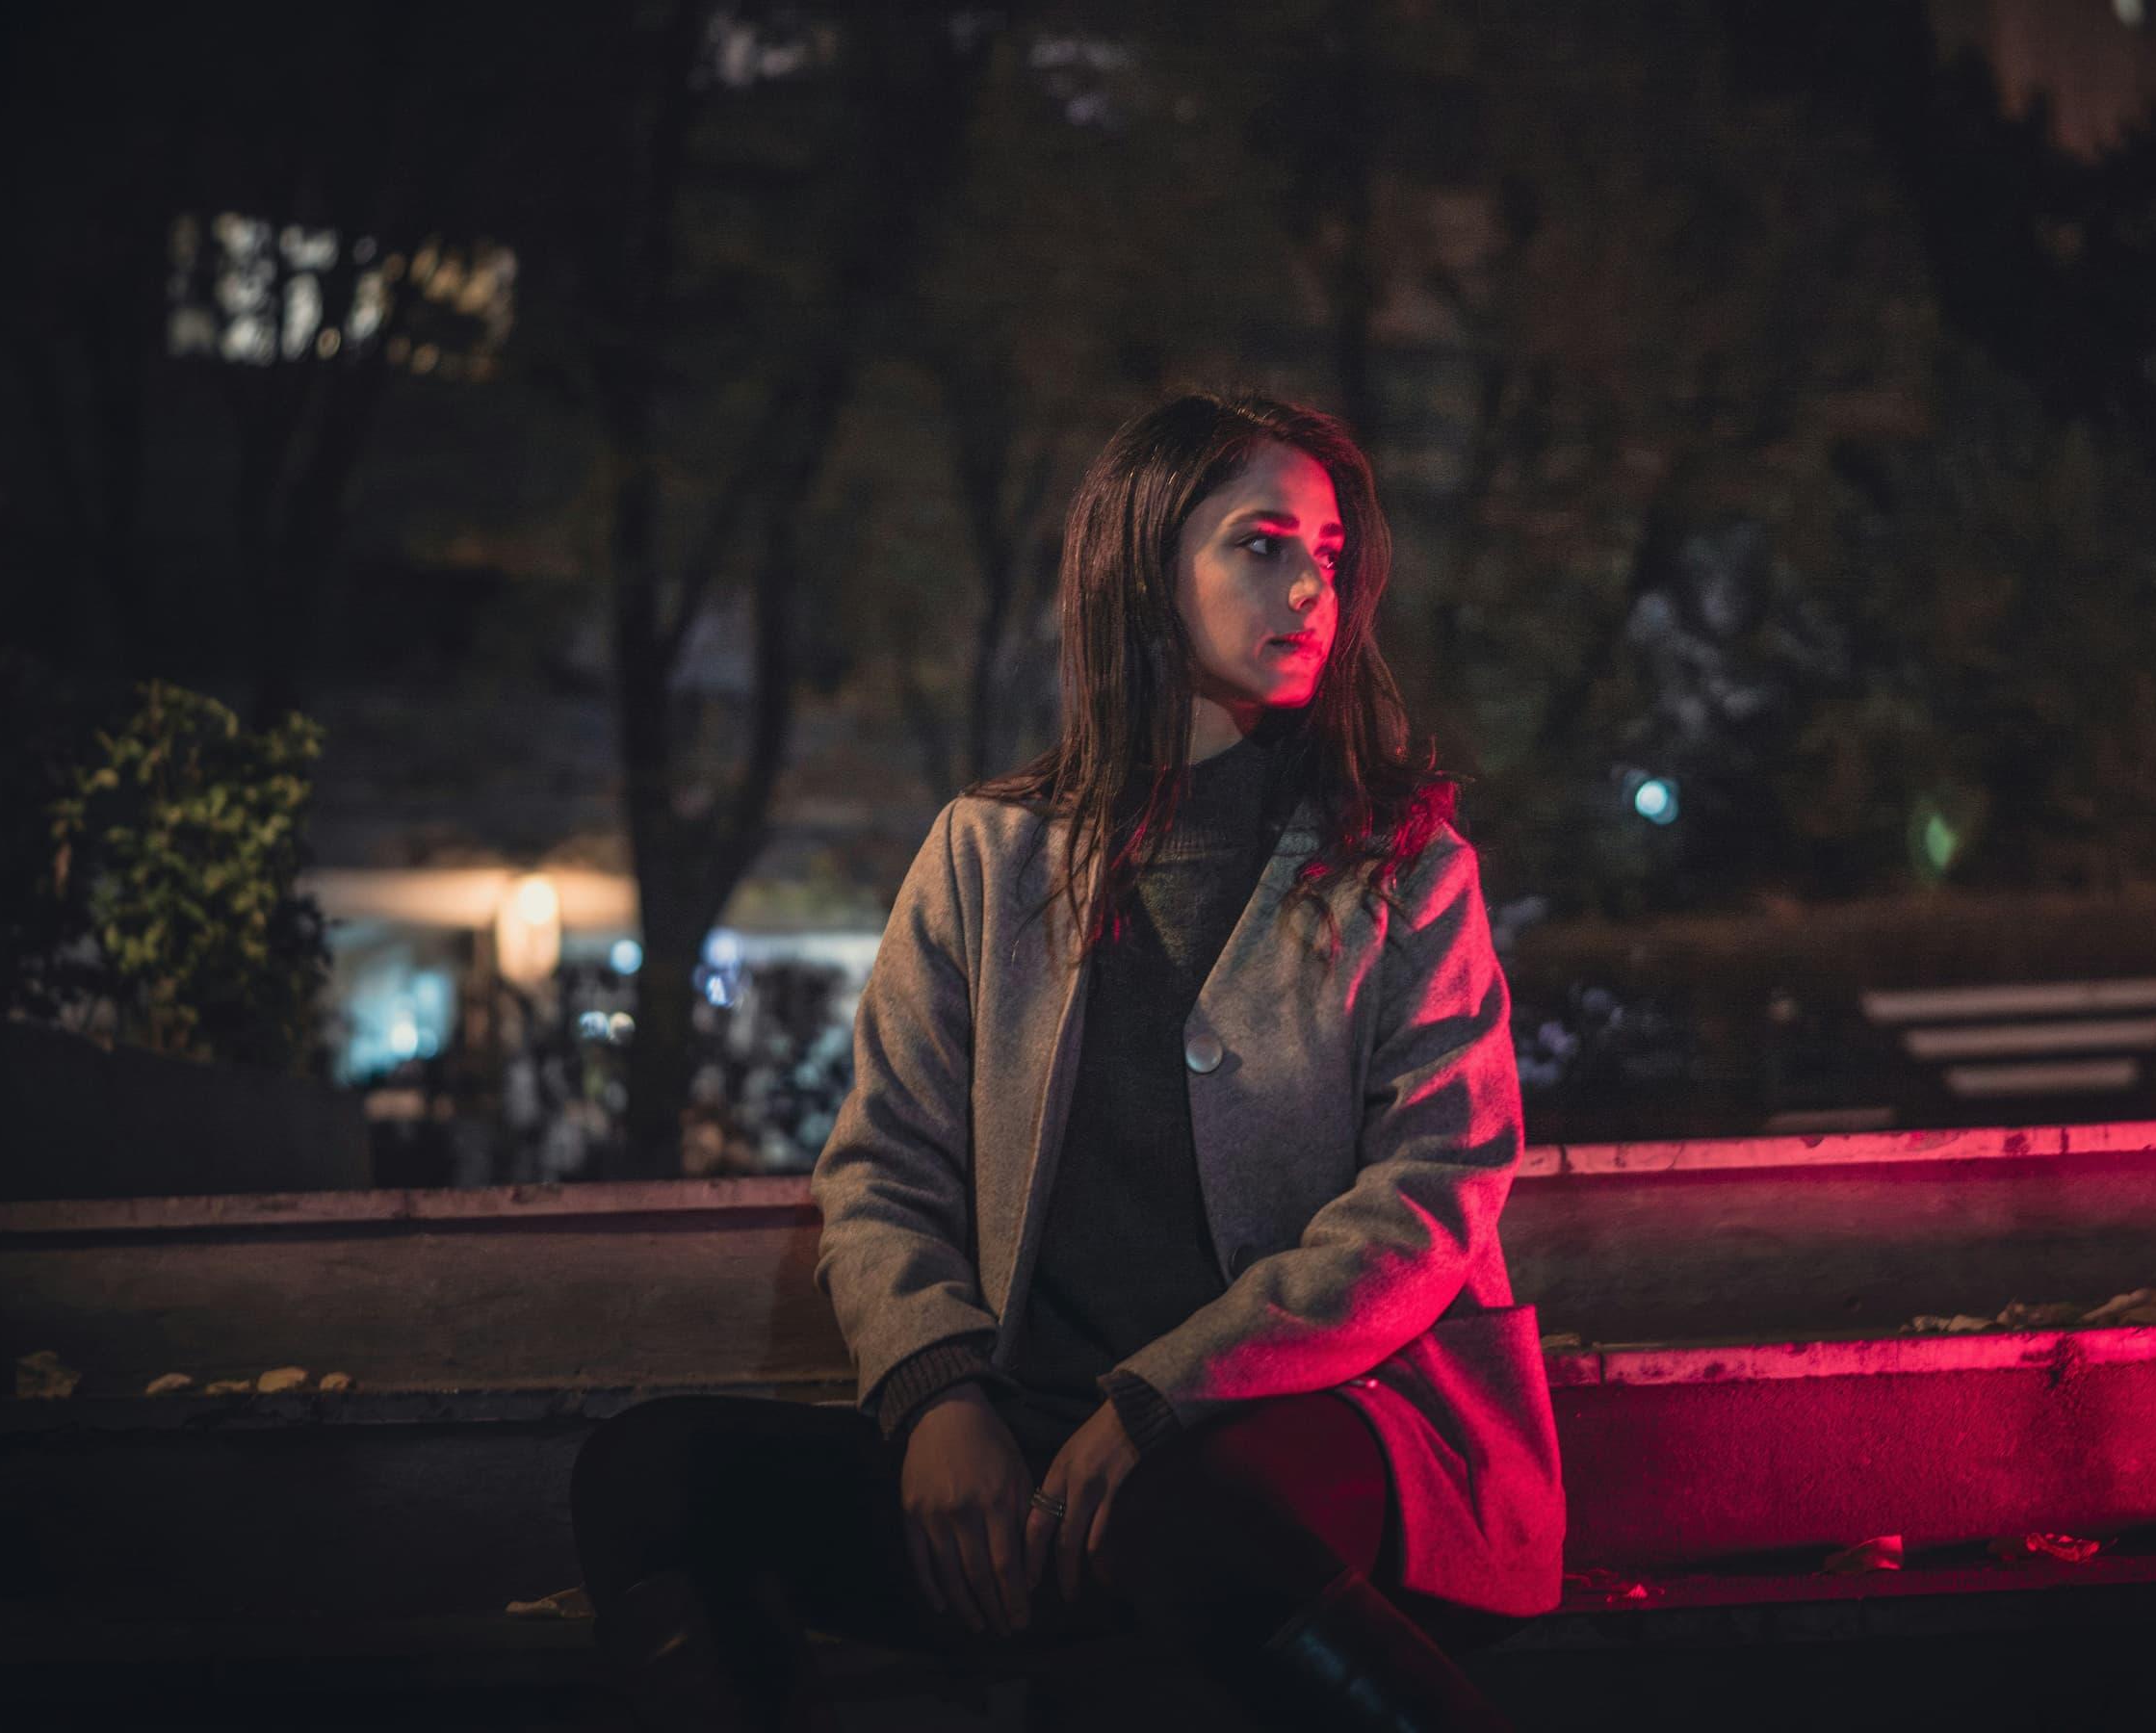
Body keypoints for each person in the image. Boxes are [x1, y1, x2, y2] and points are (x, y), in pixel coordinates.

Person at [568, 392, 1565, 1730]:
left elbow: (1436, 1190)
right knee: (652, 1471)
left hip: (1328, 1434)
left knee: (1187, 1520)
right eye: (1261, 544)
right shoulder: (990, 854)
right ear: (1145, 566)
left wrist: (1164, 1398)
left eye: (1329, 555)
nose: (1311, 588)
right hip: (1030, 1461)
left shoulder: (1403, 867)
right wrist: (935, 1401)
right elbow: (882, 1167)